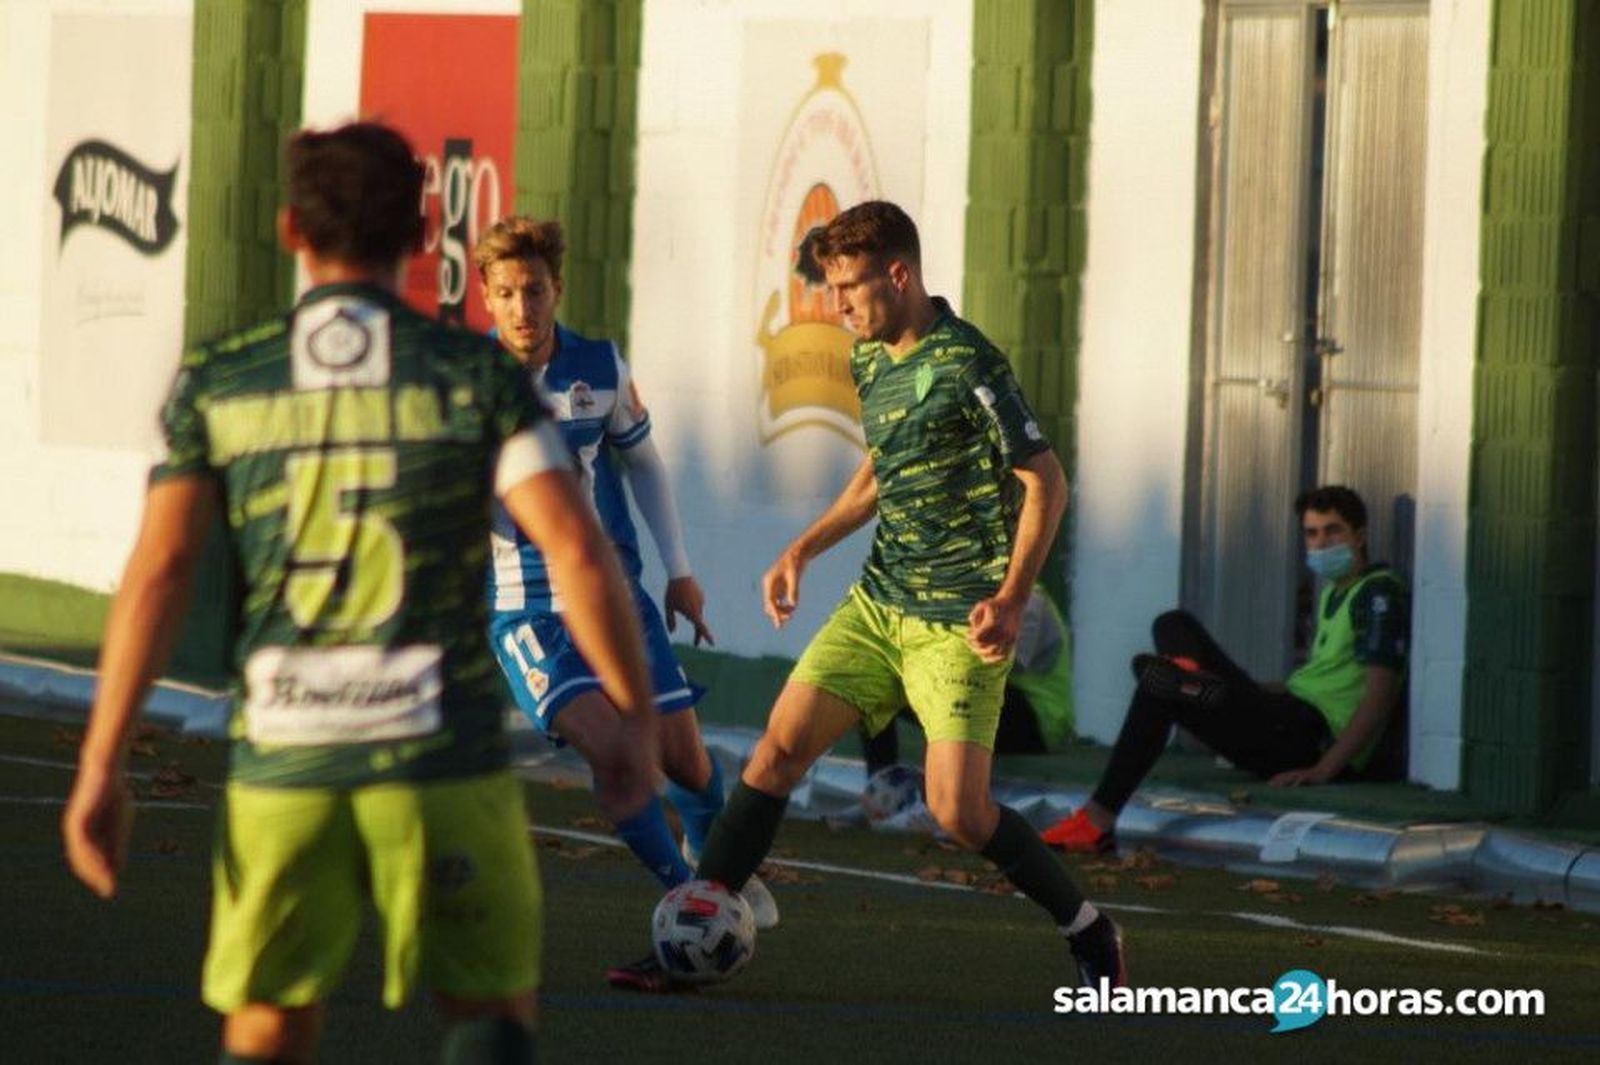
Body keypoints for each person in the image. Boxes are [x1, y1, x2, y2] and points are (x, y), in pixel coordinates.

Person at [60, 121, 659, 1065]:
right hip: (441, 751)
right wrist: (631, 725)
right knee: (490, 1015)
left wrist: (101, 763)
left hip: (288, 758)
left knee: (267, 1025)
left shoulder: (223, 377)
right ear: (424, 234)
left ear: (290, 229)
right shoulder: (474, 377)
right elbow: (580, 553)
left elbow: (161, 569)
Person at [692, 200, 1125, 990]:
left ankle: (1088, 925)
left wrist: (1013, 595)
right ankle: (694, 920)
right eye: (830, 290)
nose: (838, 306)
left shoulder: (970, 363)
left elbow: (1047, 480)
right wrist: (802, 547)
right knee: (779, 747)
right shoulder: (867, 359)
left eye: (850, 287)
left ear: (900, 274)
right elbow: (881, 474)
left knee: (958, 811)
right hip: (876, 602)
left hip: (957, 624)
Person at [471, 218, 777, 992]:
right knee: (616, 752)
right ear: (486, 297)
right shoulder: (462, 380)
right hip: (528, 610)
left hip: (614, 595)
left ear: (557, 290)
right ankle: (690, 898)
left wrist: (679, 571)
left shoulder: (598, 367)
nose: (521, 308)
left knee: (684, 757)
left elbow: (642, 463)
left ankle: (723, 876)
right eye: (504, 293)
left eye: (533, 291)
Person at [1041, 485, 1410, 854]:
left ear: (1359, 537)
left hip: (1306, 738)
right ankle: (1187, 677)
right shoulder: (1333, 592)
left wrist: (1323, 770)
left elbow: (1379, 696)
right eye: (1312, 534)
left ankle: (1098, 818)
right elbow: (1325, 681)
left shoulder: (1377, 595)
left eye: (1333, 531)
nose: (1321, 542)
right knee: (1171, 625)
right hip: (1284, 717)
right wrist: (1257, 691)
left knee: (1158, 685)